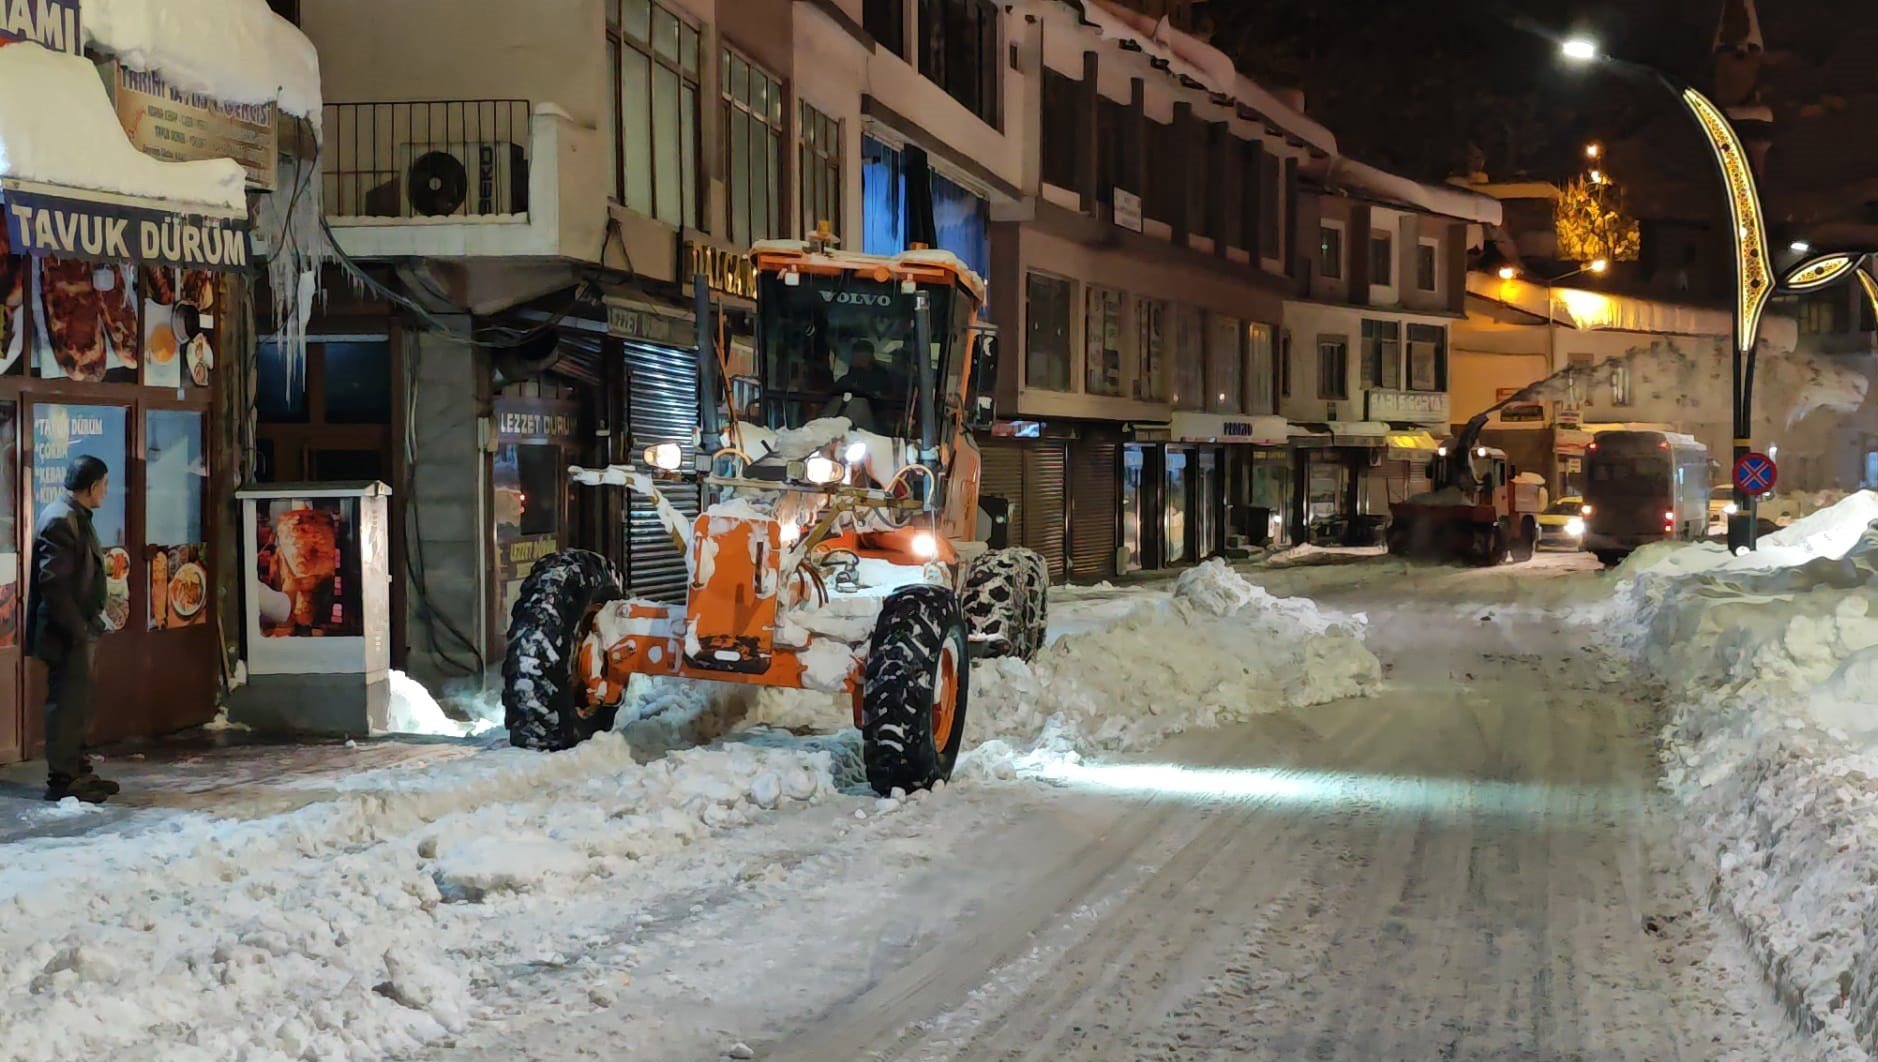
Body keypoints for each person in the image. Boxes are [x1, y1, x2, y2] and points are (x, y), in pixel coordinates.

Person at [28, 455, 116, 803]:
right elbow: (54, 585)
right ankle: (63, 779)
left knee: (77, 703)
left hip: (79, 631)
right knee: (66, 705)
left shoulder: (75, 515)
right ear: (92, 486)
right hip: (65, 634)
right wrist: (77, 630)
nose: (106, 491)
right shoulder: (61, 519)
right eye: (104, 485)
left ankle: (79, 770)